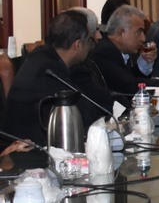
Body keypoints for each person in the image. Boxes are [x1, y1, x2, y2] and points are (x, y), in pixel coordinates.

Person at [0, 10, 107, 148]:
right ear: (77, 44)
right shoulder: (48, 70)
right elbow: (85, 113)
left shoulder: (43, 57)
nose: (91, 46)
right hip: (23, 152)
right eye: (89, 41)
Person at [89, 4, 159, 95]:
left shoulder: (122, 50)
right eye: (139, 32)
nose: (143, 38)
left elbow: (130, 78)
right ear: (121, 32)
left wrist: (144, 62)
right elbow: (128, 86)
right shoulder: (105, 51)